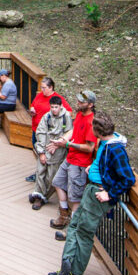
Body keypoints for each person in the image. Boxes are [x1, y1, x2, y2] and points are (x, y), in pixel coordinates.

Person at [49, 110, 135, 275]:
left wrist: (109, 193)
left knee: (84, 231)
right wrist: (93, 169)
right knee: (75, 225)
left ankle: (73, 270)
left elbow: (128, 178)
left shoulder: (116, 149)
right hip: (92, 189)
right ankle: (67, 264)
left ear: (98, 132)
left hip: (98, 194)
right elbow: (103, 163)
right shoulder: (106, 143)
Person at [48, 89, 98, 231]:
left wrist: (68, 145)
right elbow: (73, 131)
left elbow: (89, 148)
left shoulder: (91, 121)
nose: (78, 103)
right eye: (78, 100)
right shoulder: (80, 115)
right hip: (70, 158)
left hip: (80, 164)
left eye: (81, 102)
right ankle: (64, 215)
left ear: (90, 105)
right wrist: (61, 141)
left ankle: (73, 228)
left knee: (75, 197)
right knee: (57, 182)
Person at [28, 95, 72, 210]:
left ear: (61, 106)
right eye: (52, 107)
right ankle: (38, 194)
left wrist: (59, 144)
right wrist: (41, 152)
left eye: (56, 107)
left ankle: (44, 196)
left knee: (52, 176)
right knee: (40, 172)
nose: (54, 109)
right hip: (46, 148)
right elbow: (40, 133)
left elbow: (69, 133)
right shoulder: (46, 117)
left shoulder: (65, 117)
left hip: (58, 152)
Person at [25, 77, 72, 182]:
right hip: (36, 129)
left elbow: (68, 112)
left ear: (51, 87)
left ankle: (45, 175)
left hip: (49, 134)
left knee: (47, 154)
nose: (42, 90)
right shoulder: (39, 96)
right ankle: (39, 172)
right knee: (37, 150)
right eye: (41, 87)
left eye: (44, 87)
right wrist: (32, 110)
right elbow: (33, 105)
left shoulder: (58, 99)